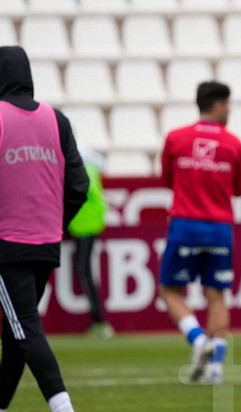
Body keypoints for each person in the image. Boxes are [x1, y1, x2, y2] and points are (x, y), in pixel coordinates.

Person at [0, 46, 88, 412]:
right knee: (19, 330)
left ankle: (62, 405)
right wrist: (55, 222)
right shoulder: (57, 119)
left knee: (25, 330)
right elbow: (79, 186)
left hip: (7, 244)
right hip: (46, 243)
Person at [159, 81, 241, 385]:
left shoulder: (175, 138)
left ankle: (198, 340)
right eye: (228, 104)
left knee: (170, 291)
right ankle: (215, 369)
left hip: (184, 224)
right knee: (216, 296)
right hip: (219, 228)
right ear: (219, 104)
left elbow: (167, 181)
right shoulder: (233, 143)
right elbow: (239, 189)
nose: (230, 110)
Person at [67, 148, 114, 339]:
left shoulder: (79, 167)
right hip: (84, 223)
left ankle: (99, 320)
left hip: (84, 224)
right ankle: (99, 320)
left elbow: (86, 194)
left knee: (82, 270)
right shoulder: (87, 165)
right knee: (83, 270)